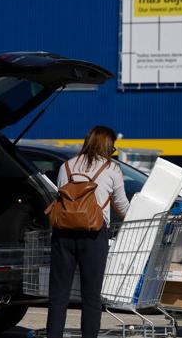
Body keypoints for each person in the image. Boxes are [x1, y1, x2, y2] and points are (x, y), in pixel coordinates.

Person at [46, 126, 130, 338]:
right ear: (107, 145)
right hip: (94, 235)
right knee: (91, 295)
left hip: (63, 233)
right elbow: (122, 205)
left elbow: (61, 197)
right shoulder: (112, 169)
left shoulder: (66, 166)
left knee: (58, 294)